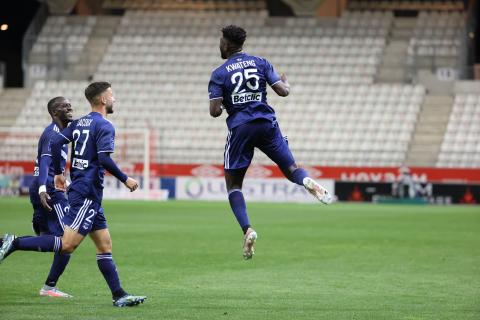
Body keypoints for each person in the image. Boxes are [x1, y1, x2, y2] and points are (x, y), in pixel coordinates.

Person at [0, 82, 146, 307]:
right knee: (66, 245)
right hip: (86, 193)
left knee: (104, 245)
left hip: (89, 194)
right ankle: (15, 243)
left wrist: (59, 172)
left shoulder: (79, 123)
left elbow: (57, 140)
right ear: (102, 100)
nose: (114, 99)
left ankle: (119, 295)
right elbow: (105, 159)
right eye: (112, 95)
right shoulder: (105, 126)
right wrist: (126, 179)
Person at [208, 25, 332, 260]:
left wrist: (225, 102)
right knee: (292, 169)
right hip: (267, 123)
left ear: (227, 44)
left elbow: (214, 111)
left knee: (234, 185)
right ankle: (306, 180)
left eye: (221, 41)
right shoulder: (261, 63)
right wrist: (286, 82)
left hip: (241, 127)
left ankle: (247, 229)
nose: (219, 44)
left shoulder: (219, 73)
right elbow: (283, 92)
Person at [30, 96, 74, 298]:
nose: (70, 107)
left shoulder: (61, 134)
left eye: (70, 104)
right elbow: (45, 161)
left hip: (46, 188)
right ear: (54, 112)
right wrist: (42, 189)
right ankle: (49, 287)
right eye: (64, 106)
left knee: (47, 241)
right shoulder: (52, 133)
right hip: (49, 191)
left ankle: (9, 243)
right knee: (68, 240)